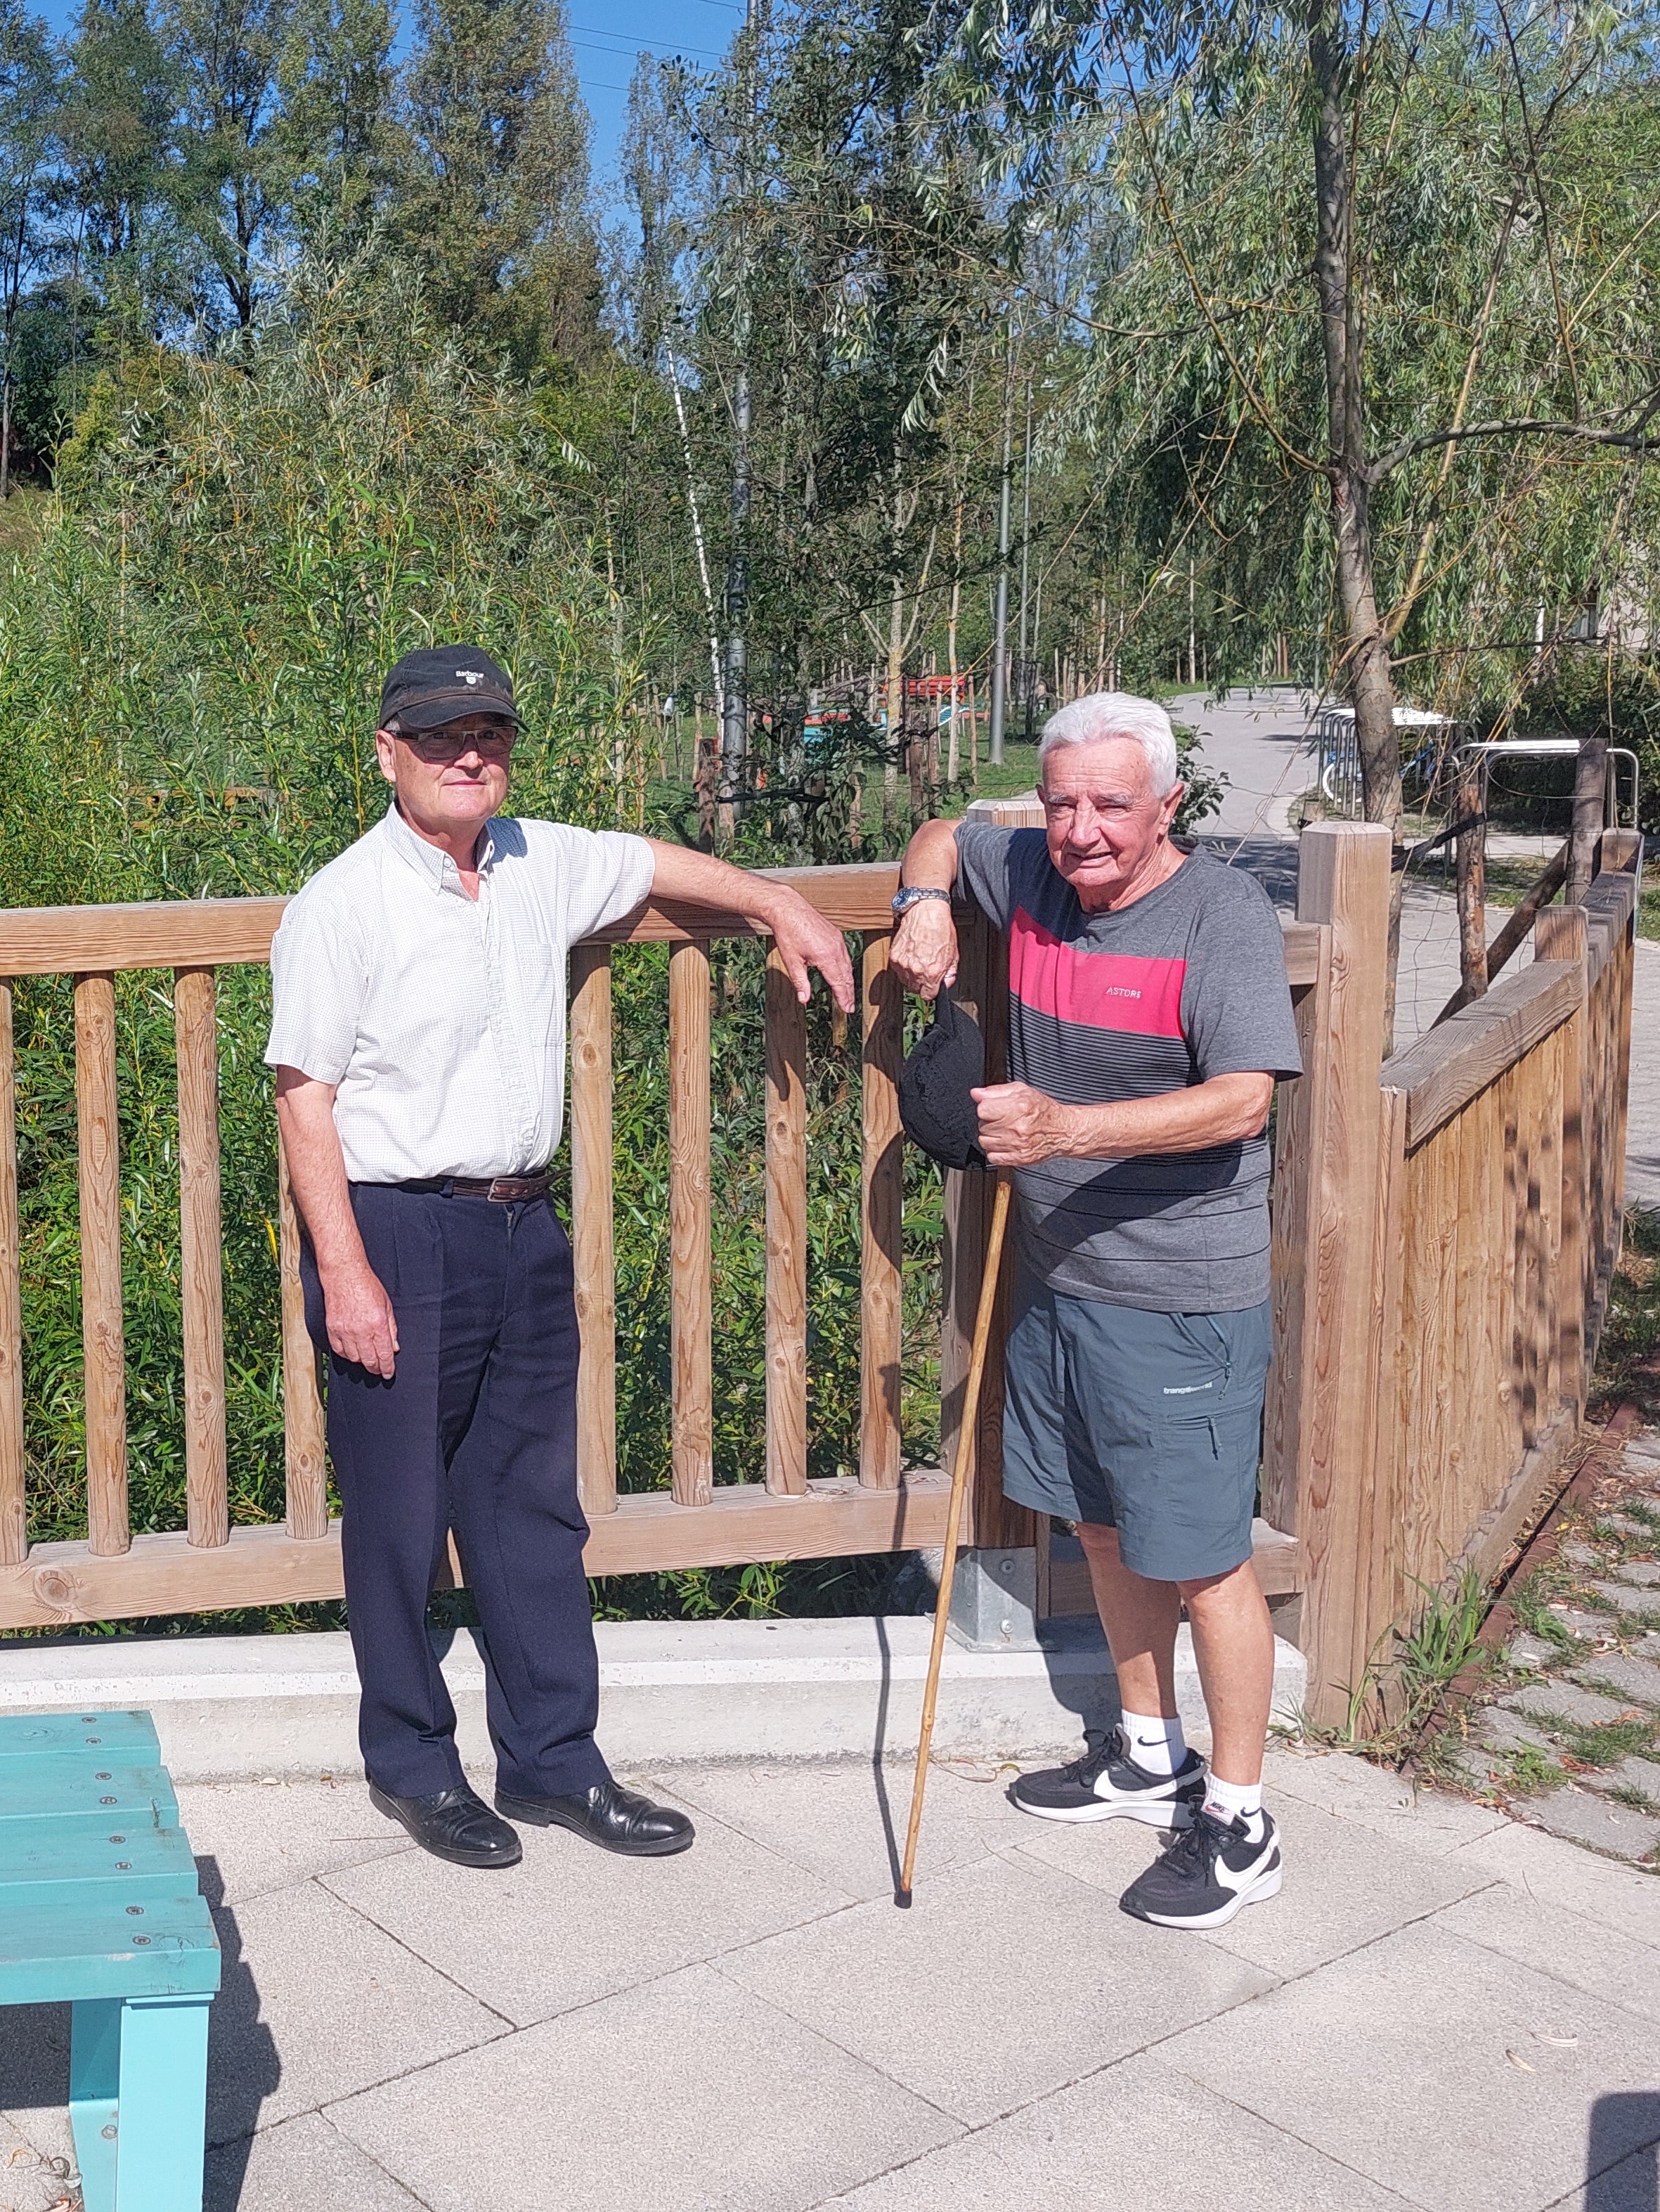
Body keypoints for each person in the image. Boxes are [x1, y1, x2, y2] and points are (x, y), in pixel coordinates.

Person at [268, 645, 853, 1870]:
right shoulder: (342, 903)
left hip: (524, 1226)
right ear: (388, 754)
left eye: (487, 733)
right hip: (397, 1229)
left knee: (533, 1508)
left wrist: (778, 904)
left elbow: (653, 861)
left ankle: (552, 1763)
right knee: (397, 1516)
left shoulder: (535, 860)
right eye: (439, 738)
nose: (468, 754)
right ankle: (415, 1767)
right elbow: (304, 1097)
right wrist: (347, 1273)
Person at [886, 689, 1302, 1930]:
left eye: (1111, 805)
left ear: (1167, 804)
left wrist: (1066, 1127)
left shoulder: (1219, 915)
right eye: (1063, 803)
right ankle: (1144, 1749)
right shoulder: (1036, 872)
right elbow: (945, 837)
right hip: (1062, 1281)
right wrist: (919, 908)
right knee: (1106, 1532)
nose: (1080, 831)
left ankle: (1239, 1820)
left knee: (1206, 1560)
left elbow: (1241, 1103)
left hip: (1182, 1295)